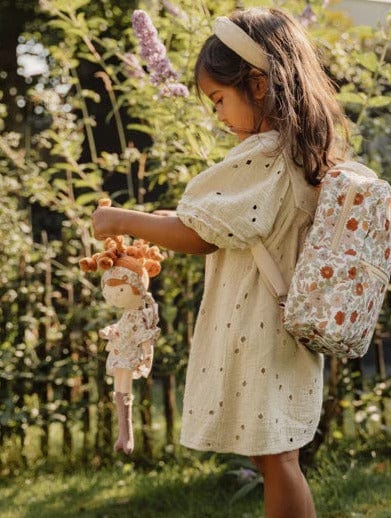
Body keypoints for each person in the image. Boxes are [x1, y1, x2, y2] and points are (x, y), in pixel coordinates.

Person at [92, 7, 349, 517]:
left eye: (218, 100)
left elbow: (200, 235)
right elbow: (218, 222)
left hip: (259, 326)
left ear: (257, 84)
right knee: (272, 452)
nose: (218, 116)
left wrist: (121, 219)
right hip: (273, 323)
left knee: (277, 456)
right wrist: (155, 219)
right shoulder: (292, 150)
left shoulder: (264, 151)